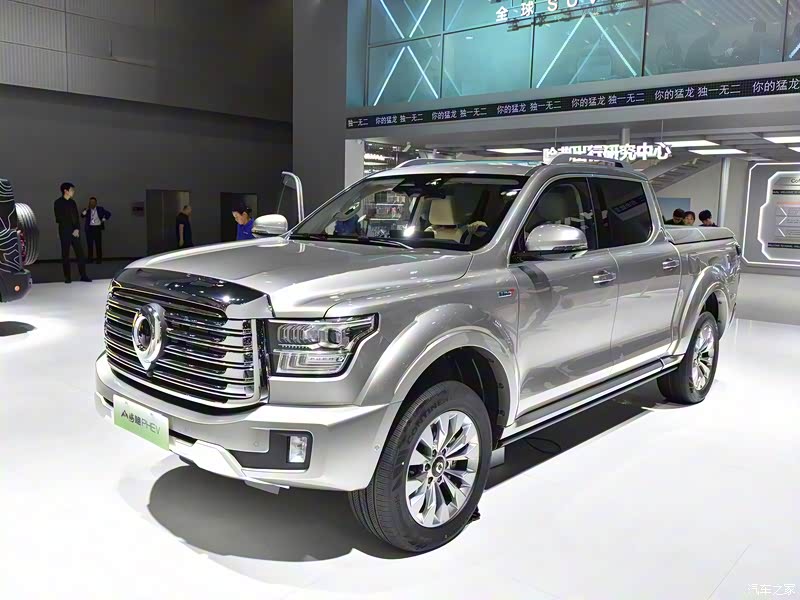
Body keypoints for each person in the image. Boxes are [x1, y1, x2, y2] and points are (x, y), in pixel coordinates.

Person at [54, 182, 90, 283]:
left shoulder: (72, 202)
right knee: (65, 254)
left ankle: (83, 275)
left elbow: (76, 217)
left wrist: (77, 229)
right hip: (65, 231)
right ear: (65, 191)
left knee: (80, 254)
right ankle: (67, 277)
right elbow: (59, 218)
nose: (73, 192)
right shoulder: (58, 203)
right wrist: (72, 229)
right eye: (71, 190)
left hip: (75, 232)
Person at [81, 196, 111, 264]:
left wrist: (104, 219)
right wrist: (86, 210)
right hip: (89, 229)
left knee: (98, 245)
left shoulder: (100, 209)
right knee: (90, 245)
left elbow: (108, 214)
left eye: (93, 202)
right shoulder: (87, 210)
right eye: (90, 202)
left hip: (97, 228)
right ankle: (90, 259)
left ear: (96, 203)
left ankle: (99, 259)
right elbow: (82, 215)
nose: (92, 203)